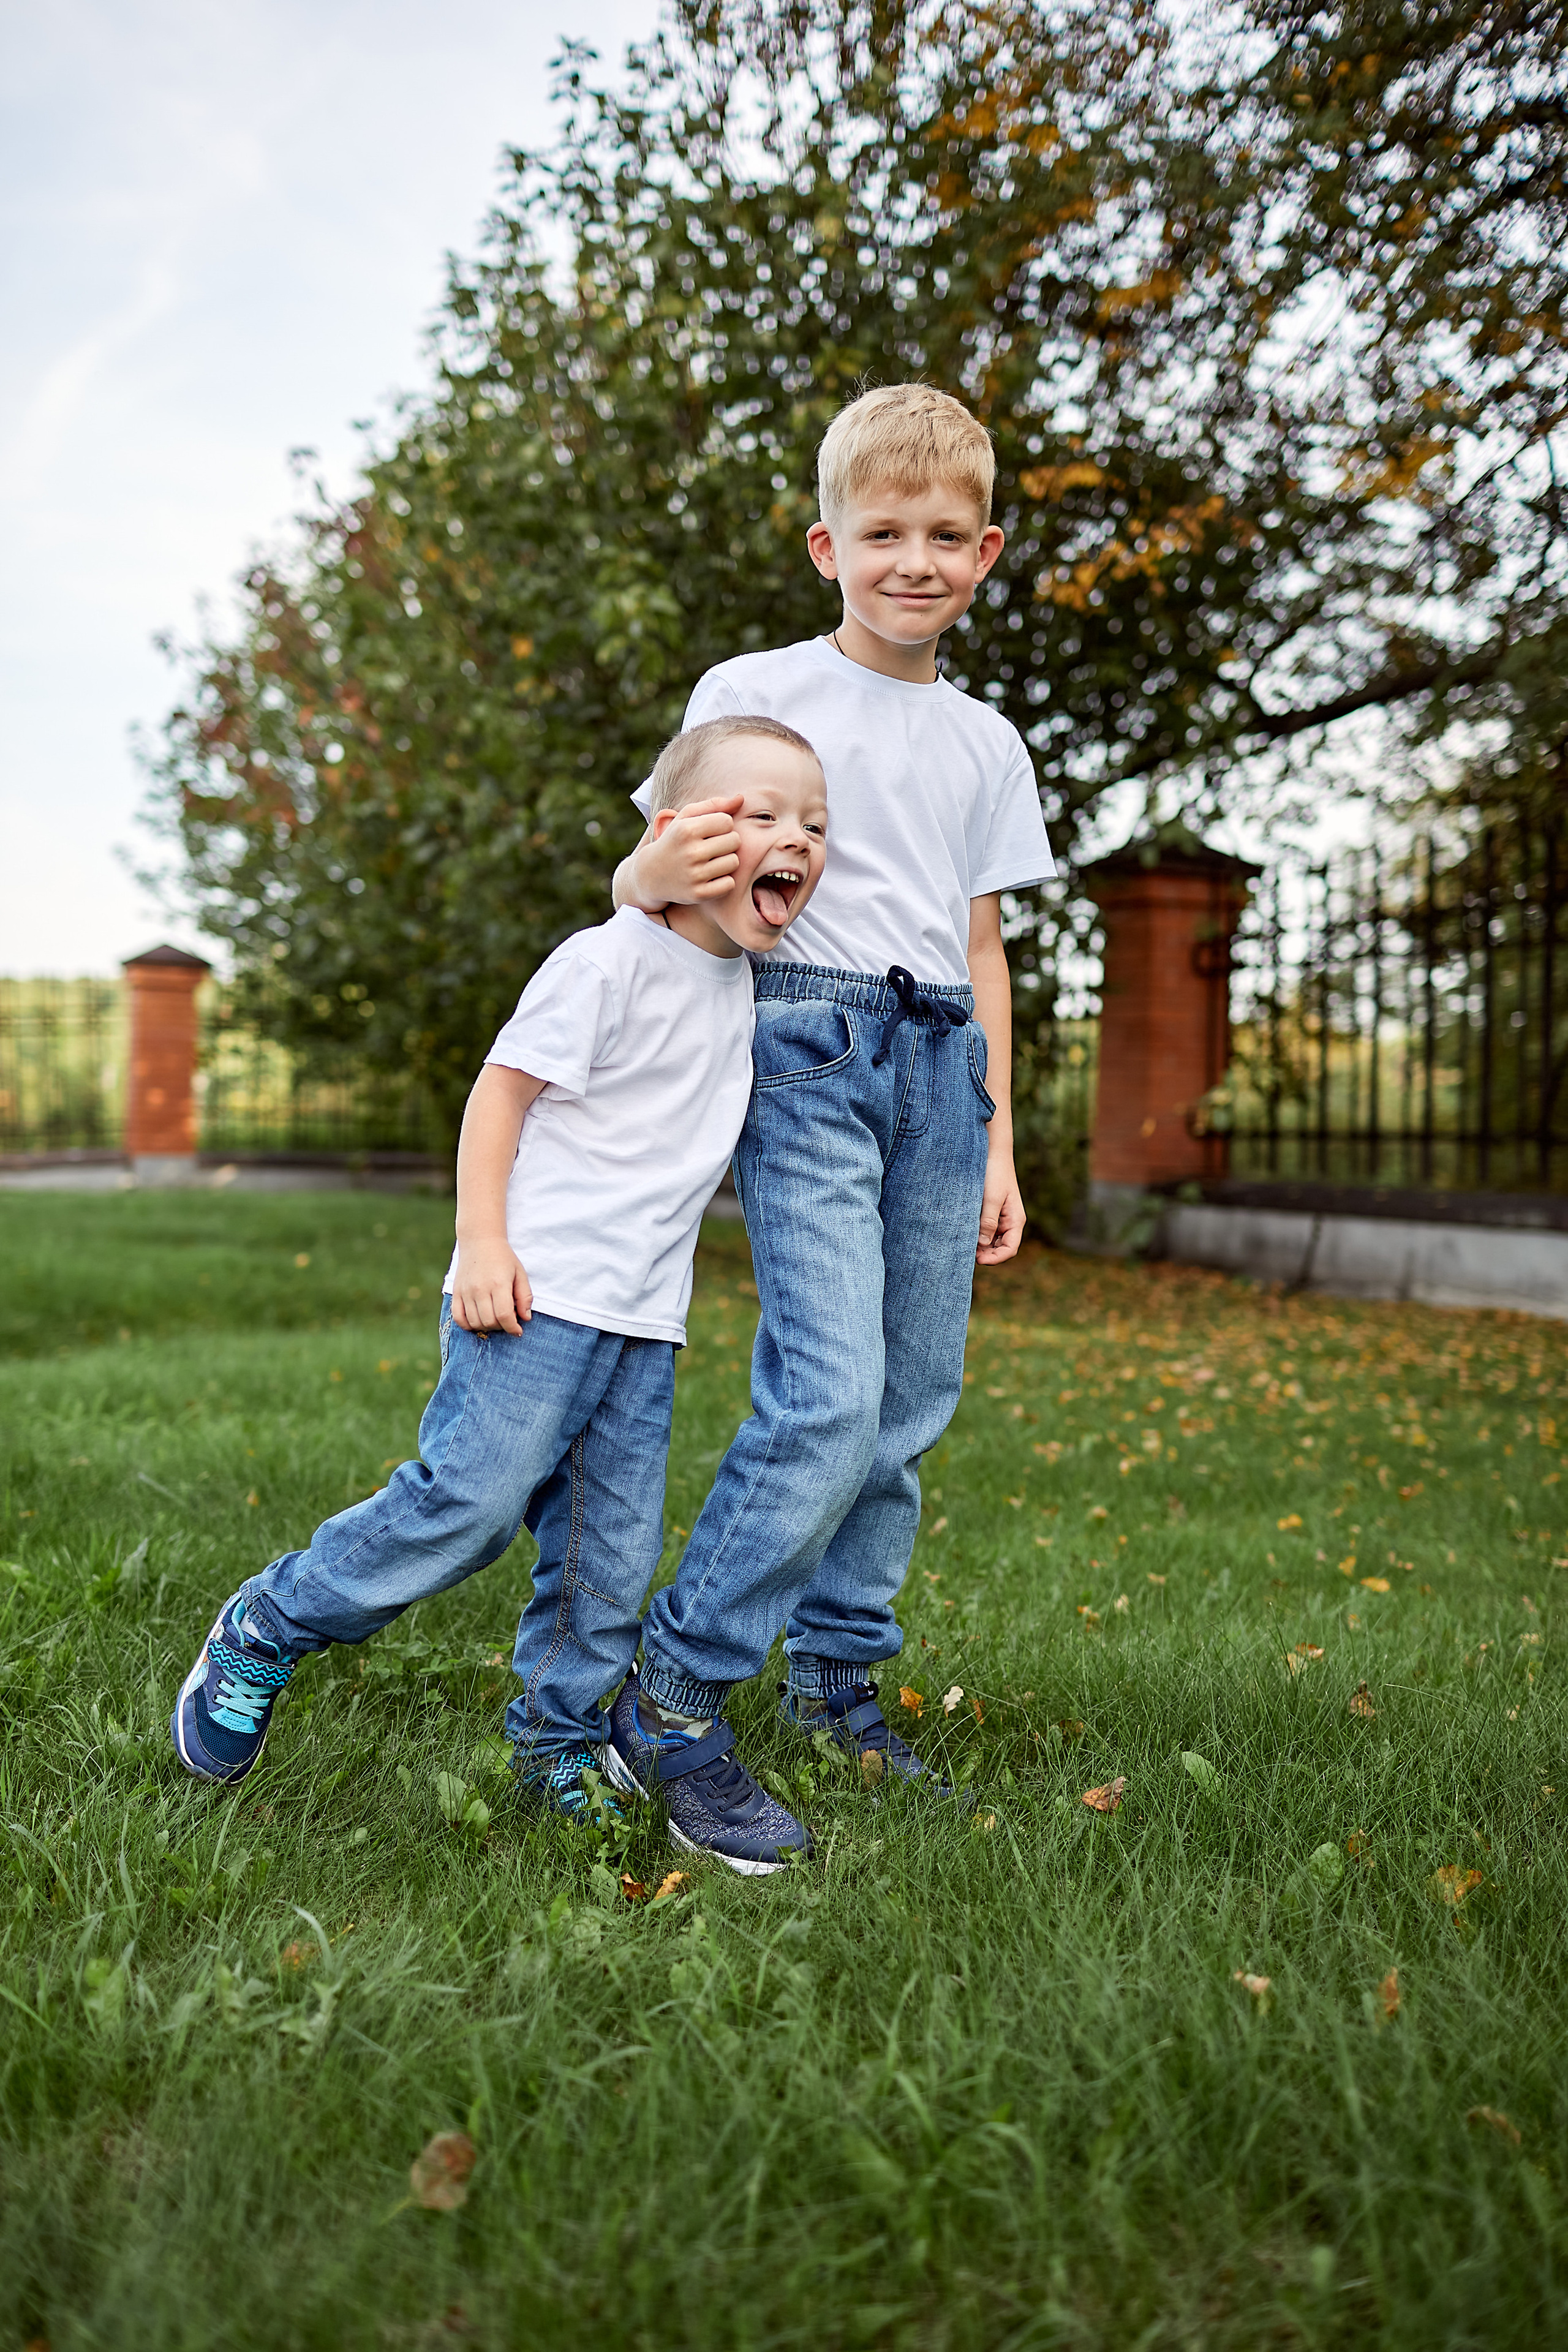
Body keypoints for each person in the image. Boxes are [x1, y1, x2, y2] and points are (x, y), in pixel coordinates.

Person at [170, 714, 827, 1864]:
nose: (794, 841)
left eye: (814, 826)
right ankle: (267, 1624)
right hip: (530, 1295)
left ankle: (555, 1743)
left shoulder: (748, 984)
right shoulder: (606, 958)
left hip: (640, 1324)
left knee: (607, 1558)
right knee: (465, 1509)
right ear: (678, 838)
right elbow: (500, 1095)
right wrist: (483, 1243)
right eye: (760, 816)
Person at [603, 382, 1052, 1857]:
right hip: (803, 1042)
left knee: (909, 1400)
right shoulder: (756, 691)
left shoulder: (987, 743)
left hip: (939, 1066)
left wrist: (996, 1136)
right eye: (881, 533)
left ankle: (838, 1678)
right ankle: (669, 1689)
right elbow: (673, 870)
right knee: (825, 1394)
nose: (911, 560)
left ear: (984, 553)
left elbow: (979, 946)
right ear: (825, 546)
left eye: (942, 535)